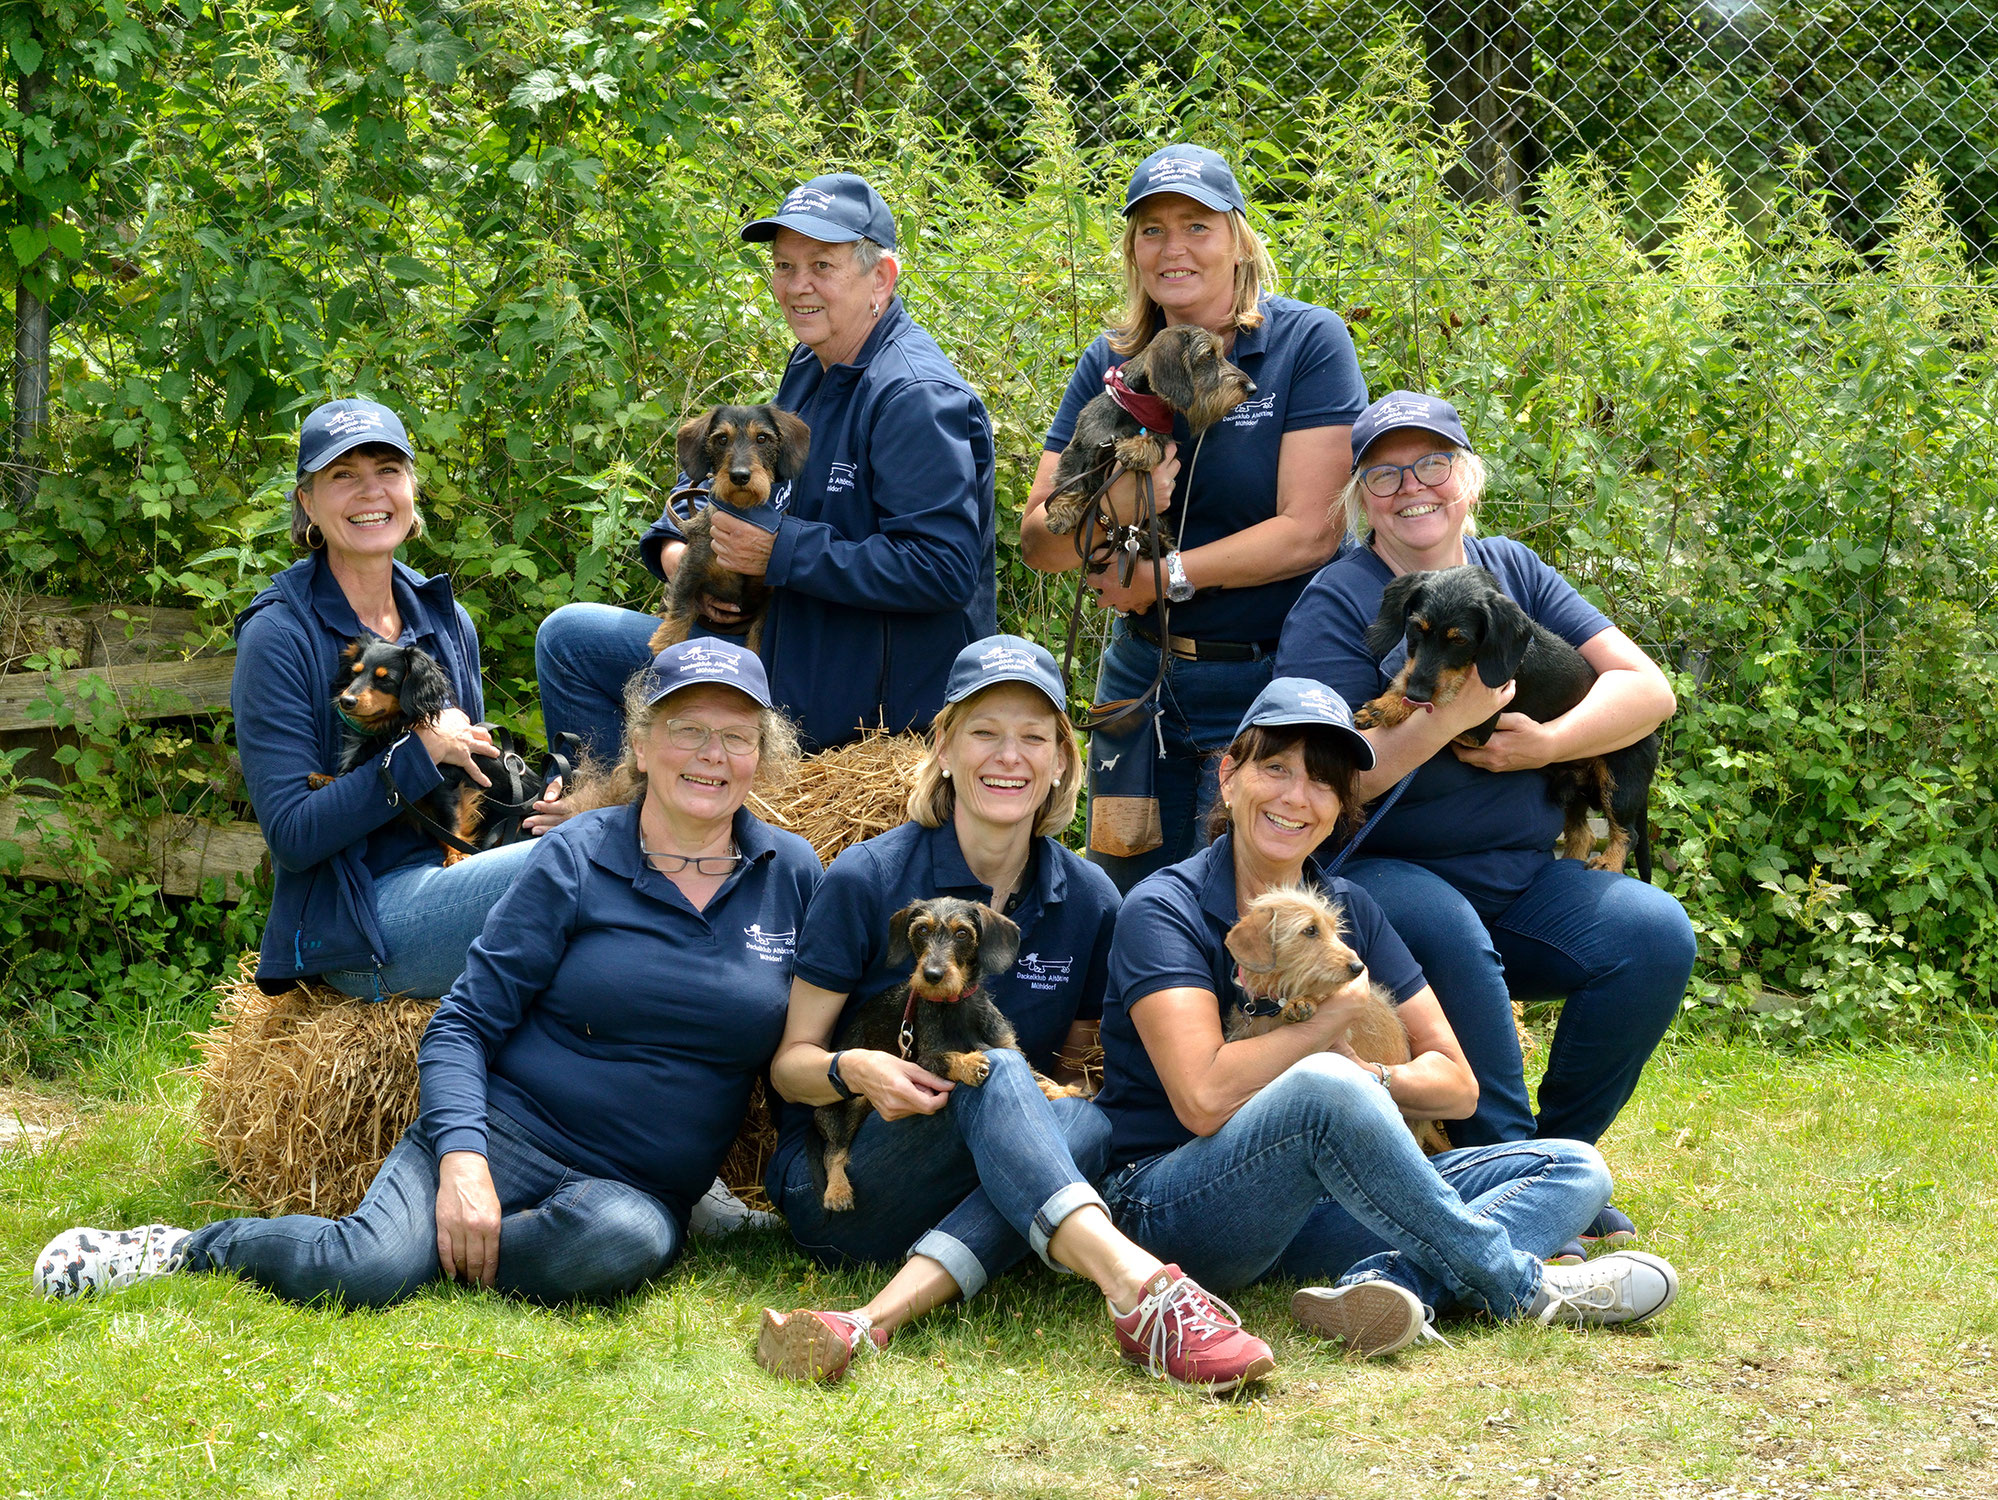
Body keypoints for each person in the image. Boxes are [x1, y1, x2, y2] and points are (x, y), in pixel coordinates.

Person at [34, 640, 821, 1307]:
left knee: (624, 1244)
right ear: (642, 748)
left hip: (634, 1185)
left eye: (736, 736)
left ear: (764, 755)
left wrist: (807, 1194)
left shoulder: (793, 873)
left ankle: (443, 1253)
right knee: (363, 1266)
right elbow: (463, 1024)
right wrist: (466, 1163)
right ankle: (186, 1250)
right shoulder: (575, 857)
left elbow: (801, 1055)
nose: (711, 756)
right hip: (510, 1129)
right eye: (686, 730)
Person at [1095, 679, 1682, 1357]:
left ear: (1341, 807)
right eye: (1276, 769)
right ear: (1228, 778)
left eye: (1323, 783)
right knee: (1324, 1086)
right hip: (1176, 1203)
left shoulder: (1347, 911)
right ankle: (1524, 1290)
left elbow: (1458, 1086)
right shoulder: (1163, 909)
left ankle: (1391, 1282)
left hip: (1331, 1198)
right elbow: (1202, 1101)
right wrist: (1323, 1038)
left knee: (1576, 1167)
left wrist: (1371, 1077)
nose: (1296, 797)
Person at [758, 636, 1277, 1394]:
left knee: (1089, 1122)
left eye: (1035, 736)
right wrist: (852, 1068)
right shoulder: (869, 880)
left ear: (1063, 759)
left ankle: (869, 1322)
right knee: (1002, 1069)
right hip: (849, 1180)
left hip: (984, 1180)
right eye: (984, 732)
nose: (1010, 756)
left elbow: (1072, 1076)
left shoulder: (1092, 899)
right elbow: (789, 1067)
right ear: (942, 746)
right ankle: (1140, 1290)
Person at [1274, 390, 1696, 1259]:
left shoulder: (1514, 570)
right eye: (1385, 473)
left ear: (1466, 480)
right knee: (1441, 924)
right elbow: (1314, 775)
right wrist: (1445, 718)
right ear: (1361, 496)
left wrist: (1543, 745)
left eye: (1432, 465)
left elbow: (1649, 691)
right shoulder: (1336, 600)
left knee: (1653, 934)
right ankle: (1507, 1169)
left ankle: (1560, 1158)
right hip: (1383, 874)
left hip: (1519, 872)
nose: (1412, 487)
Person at [536, 171, 998, 759]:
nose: (797, 286)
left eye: (822, 267)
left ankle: (629, 827)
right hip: (775, 638)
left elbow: (943, 569)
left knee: (575, 644)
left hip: (850, 703)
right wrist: (681, 554)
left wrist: (780, 554)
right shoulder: (813, 360)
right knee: (569, 639)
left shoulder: (913, 395)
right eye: (784, 266)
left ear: (880, 277)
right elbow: (738, 471)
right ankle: (605, 820)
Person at [1019, 143, 1368, 891]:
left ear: (1239, 240)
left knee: (1245, 900)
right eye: (1152, 229)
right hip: (1139, 675)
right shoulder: (1111, 362)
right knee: (1121, 883)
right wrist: (1112, 504)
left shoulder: (1306, 344)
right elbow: (1039, 543)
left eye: (1197, 226)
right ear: (1132, 250)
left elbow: (1313, 529)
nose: (1173, 247)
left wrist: (1164, 576)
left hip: (1266, 680)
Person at [230, 398, 567, 1001]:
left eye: (387, 470)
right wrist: (423, 747)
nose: (370, 493)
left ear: (412, 490)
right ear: (307, 502)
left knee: (598, 840)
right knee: (579, 871)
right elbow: (293, 835)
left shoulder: (442, 616)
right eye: (343, 475)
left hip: (459, 866)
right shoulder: (279, 634)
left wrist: (541, 807)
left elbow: (468, 776)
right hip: (362, 916)